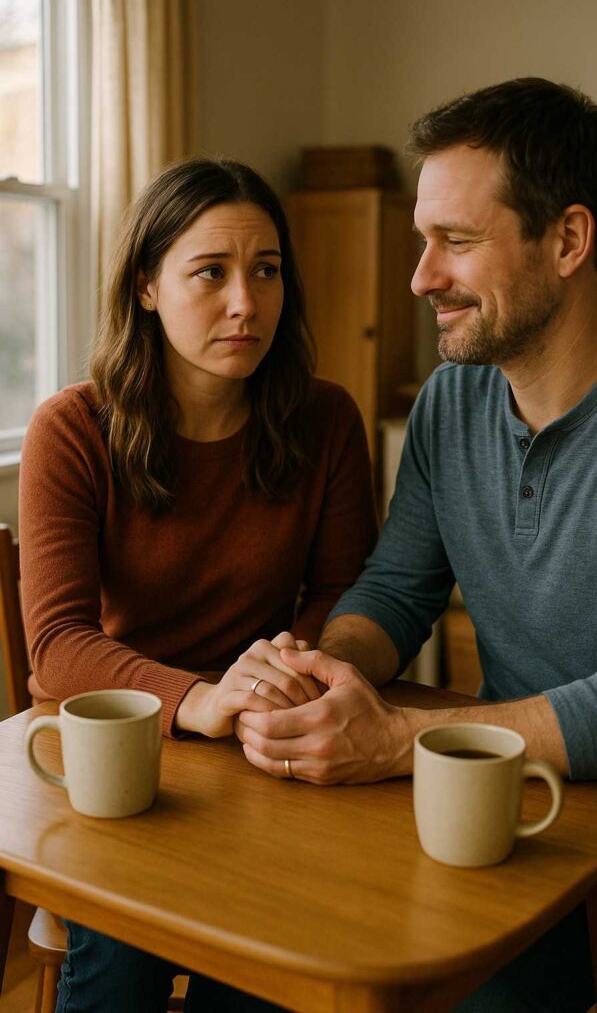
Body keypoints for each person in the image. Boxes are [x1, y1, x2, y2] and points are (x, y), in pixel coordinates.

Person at [234, 79, 597, 1012]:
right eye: (420, 240)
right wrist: (323, 671)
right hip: (504, 799)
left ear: (566, 240)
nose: (419, 276)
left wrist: (397, 740)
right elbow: (397, 590)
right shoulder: (452, 400)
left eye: (457, 241)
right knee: (284, 921)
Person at [19, 157, 377, 1012]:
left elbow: (345, 593)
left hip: (263, 749)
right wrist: (198, 700)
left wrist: (292, 669)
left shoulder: (324, 418)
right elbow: (58, 646)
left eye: (266, 270)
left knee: (269, 962)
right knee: (123, 968)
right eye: (210, 273)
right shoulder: (72, 429)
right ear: (146, 286)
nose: (245, 303)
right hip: (115, 751)